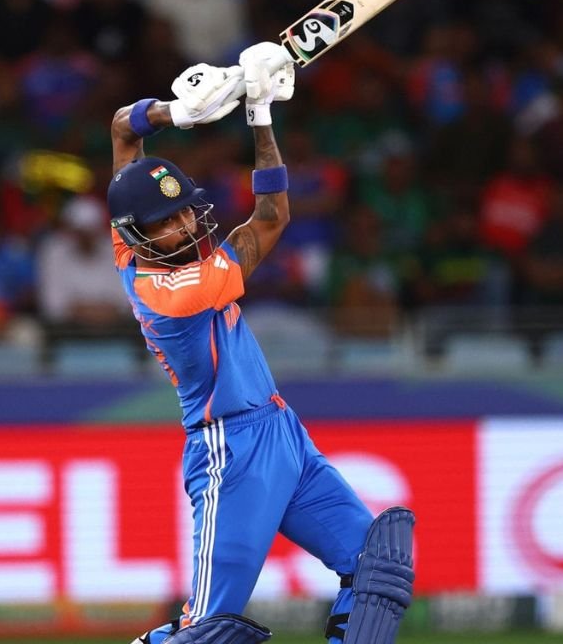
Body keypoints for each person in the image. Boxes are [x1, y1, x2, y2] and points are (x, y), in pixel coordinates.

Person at [108, 44, 414, 644]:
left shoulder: (128, 236)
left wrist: (185, 112)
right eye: (165, 224)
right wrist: (254, 110)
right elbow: (271, 219)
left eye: (185, 213)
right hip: (230, 450)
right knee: (208, 632)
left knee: (376, 569)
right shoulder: (172, 293)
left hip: (281, 431)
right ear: (137, 235)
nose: (183, 227)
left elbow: (122, 128)